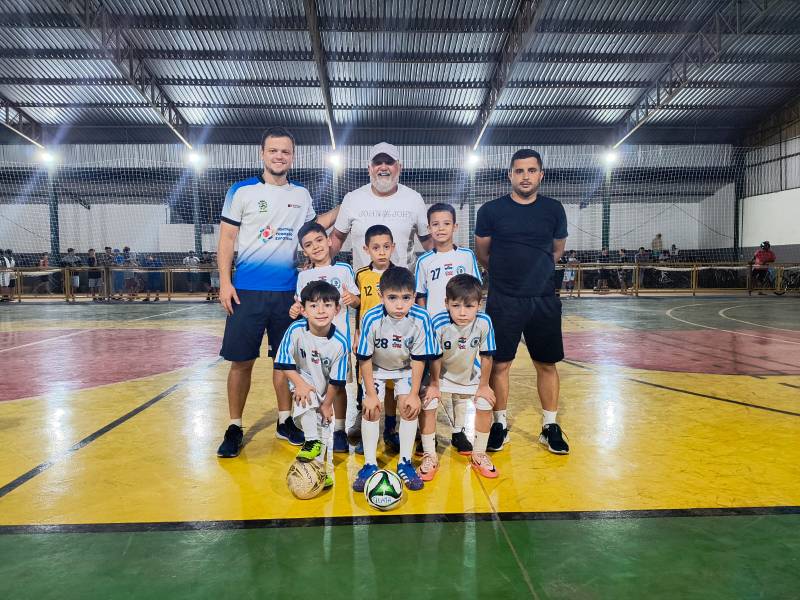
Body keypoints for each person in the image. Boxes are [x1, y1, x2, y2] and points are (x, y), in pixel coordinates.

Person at [215, 126, 339, 459]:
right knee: (241, 362)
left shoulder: (302, 196)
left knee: (284, 362)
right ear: (263, 153)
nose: (279, 156)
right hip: (247, 291)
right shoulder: (241, 192)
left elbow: (317, 228)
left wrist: (349, 206)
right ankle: (234, 426)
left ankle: (285, 421)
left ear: (292, 157)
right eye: (273, 151)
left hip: (288, 294)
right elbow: (227, 240)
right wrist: (225, 282)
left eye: (285, 151)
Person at [474, 148, 570, 455]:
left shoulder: (554, 209)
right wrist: (509, 276)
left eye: (531, 170)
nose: (525, 176)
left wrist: (535, 274)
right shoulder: (490, 211)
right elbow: (483, 254)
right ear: (510, 175)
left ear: (541, 175)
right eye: (519, 171)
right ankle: (499, 424)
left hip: (542, 298)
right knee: (500, 364)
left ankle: (550, 426)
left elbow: (556, 251)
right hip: (504, 299)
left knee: (546, 363)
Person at [353, 267, 441, 492]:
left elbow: (419, 359)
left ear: (414, 296)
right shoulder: (371, 317)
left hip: (405, 369)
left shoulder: (421, 318)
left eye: (406, 298)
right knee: (371, 409)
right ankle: (370, 464)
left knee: (409, 407)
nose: (399, 305)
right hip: (377, 368)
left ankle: (405, 462)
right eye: (392, 298)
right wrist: (371, 395)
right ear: (381, 296)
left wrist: (413, 394)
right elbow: (364, 359)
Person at [414, 202, 482, 452]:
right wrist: (423, 322)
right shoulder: (424, 261)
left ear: (455, 226)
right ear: (428, 228)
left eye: (446, 223)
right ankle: (424, 434)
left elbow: (475, 288)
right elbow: (420, 294)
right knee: (429, 381)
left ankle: (458, 431)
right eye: (435, 224)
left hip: (461, 328)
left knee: (460, 382)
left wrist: (472, 319)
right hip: (433, 331)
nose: (440, 229)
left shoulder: (466, 256)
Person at [289, 222, 360, 453]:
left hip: (338, 344)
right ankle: (314, 433)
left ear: (329, 241)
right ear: (304, 251)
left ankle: (339, 429)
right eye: (308, 245)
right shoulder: (304, 276)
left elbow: (358, 301)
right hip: (312, 344)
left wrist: (353, 299)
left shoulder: (344, 270)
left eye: (319, 240)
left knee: (338, 387)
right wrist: (295, 310)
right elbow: (300, 306)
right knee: (312, 384)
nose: (316, 247)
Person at [274, 281, 350, 490]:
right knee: (306, 397)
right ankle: (310, 441)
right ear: (304, 310)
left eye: (327, 305)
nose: (320, 311)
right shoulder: (296, 330)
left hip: (326, 389)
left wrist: (327, 405)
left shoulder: (340, 343)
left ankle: (322, 469)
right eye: (313, 306)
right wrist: (299, 384)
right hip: (302, 381)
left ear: (337, 309)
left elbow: (336, 381)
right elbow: (282, 362)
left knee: (325, 431)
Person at [422, 275, 498, 481]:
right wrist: (434, 385)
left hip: (468, 373)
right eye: (455, 305)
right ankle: (429, 455)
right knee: (428, 402)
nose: (462, 312)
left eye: (469, 306)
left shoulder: (484, 322)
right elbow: (435, 357)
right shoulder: (438, 322)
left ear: (479, 305)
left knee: (484, 401)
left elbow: (487, 355)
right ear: (446, 303)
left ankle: (479, 453)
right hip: (441, 374)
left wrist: (484, 385)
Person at [329, 142, 432, 270]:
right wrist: (320, 261)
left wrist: (448, 257)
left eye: (389, 162)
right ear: (369, 169)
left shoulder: (414, 199)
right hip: (364, 286)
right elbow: (337, 236)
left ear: (400, 167)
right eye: (377, 163)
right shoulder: (352, 199)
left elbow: (428, 240)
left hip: (402, 286)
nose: (383, 167)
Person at [351, 225, 400, 453]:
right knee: (367, 386)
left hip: (393, 341)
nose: (381, 252)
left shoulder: (398, 275)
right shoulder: (361, 275)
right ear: (366, 249)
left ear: (393, 248)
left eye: (386, 247)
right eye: (376, 247)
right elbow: (358, 306)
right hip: (368, 341)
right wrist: (357, 333)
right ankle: (366, 431)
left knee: (390, 388)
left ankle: (390, 429)